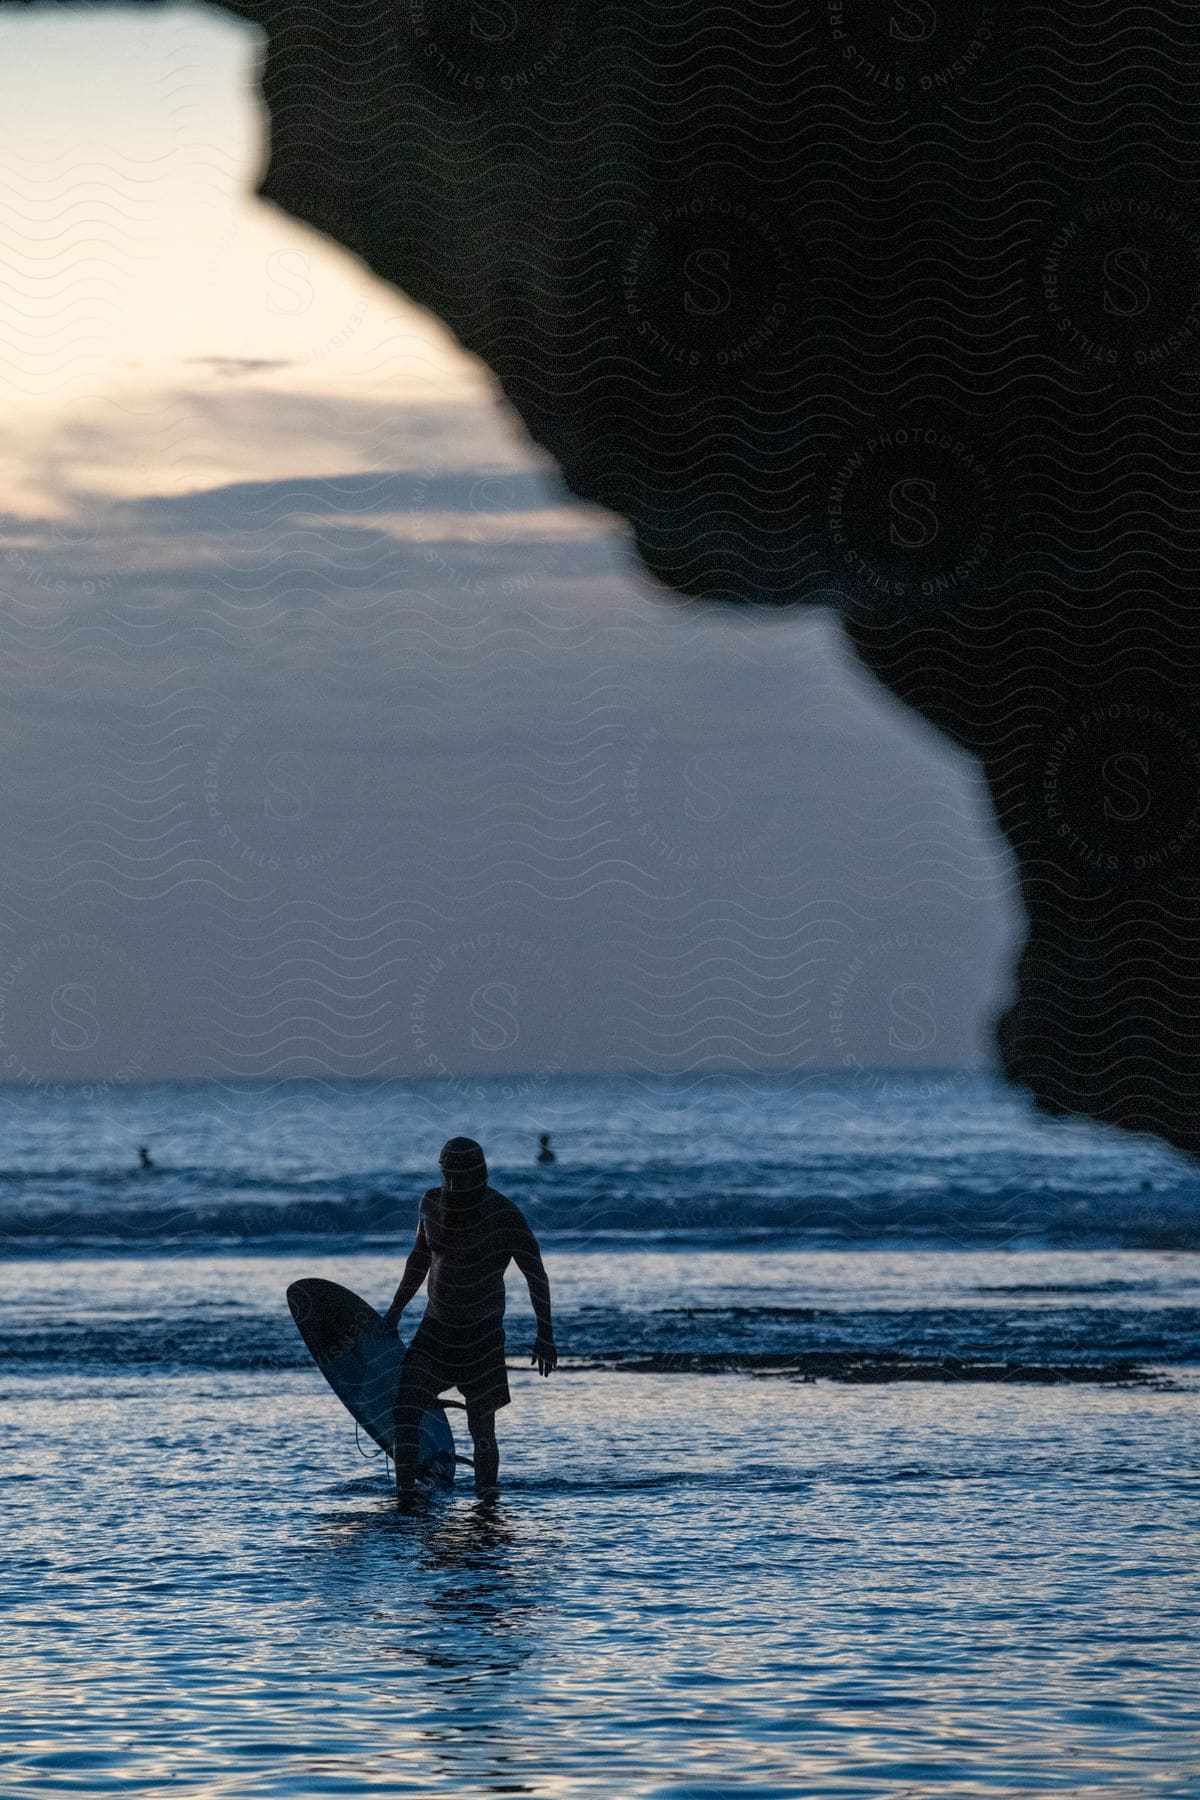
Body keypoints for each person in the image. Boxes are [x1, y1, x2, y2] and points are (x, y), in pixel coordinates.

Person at [384, 1136, 556, 1501]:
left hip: (482, 1336)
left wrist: (545, 1335)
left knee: (482, 1426)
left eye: (460, 1178)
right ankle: (405, 1494)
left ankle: (487, 1496)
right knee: (404, 1408)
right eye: (447, 1176)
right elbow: (419, 1259)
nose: (452, 1186)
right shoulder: (430, 1203)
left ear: (479, 1175)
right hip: (435, 1330)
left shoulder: (503, 1215)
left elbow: (535, 1274)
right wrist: (395, 1311)